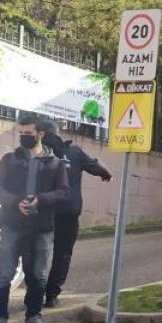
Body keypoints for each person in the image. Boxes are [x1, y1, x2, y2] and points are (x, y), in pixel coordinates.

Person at [0, 116, 70, 323]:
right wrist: (16, 203)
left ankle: (33, 316)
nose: (24, 137)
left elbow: (63, 192)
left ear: (41, 134)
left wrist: (40, 200)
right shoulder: (9, 160)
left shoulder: (56, 163)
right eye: (21, 133)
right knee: (5, 274)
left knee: (38, 274)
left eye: (28, 133)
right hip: (12, 224)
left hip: (42, 227)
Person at [37, 120, 112, 308]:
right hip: (68, 213)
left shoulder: (36, 152)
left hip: (43, 211)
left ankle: (35, 294)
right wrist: (106, 173)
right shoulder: (74, 152)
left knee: (38, 253)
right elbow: (96, 167)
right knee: (62, 254)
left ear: (42, 135)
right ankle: (52, 295)